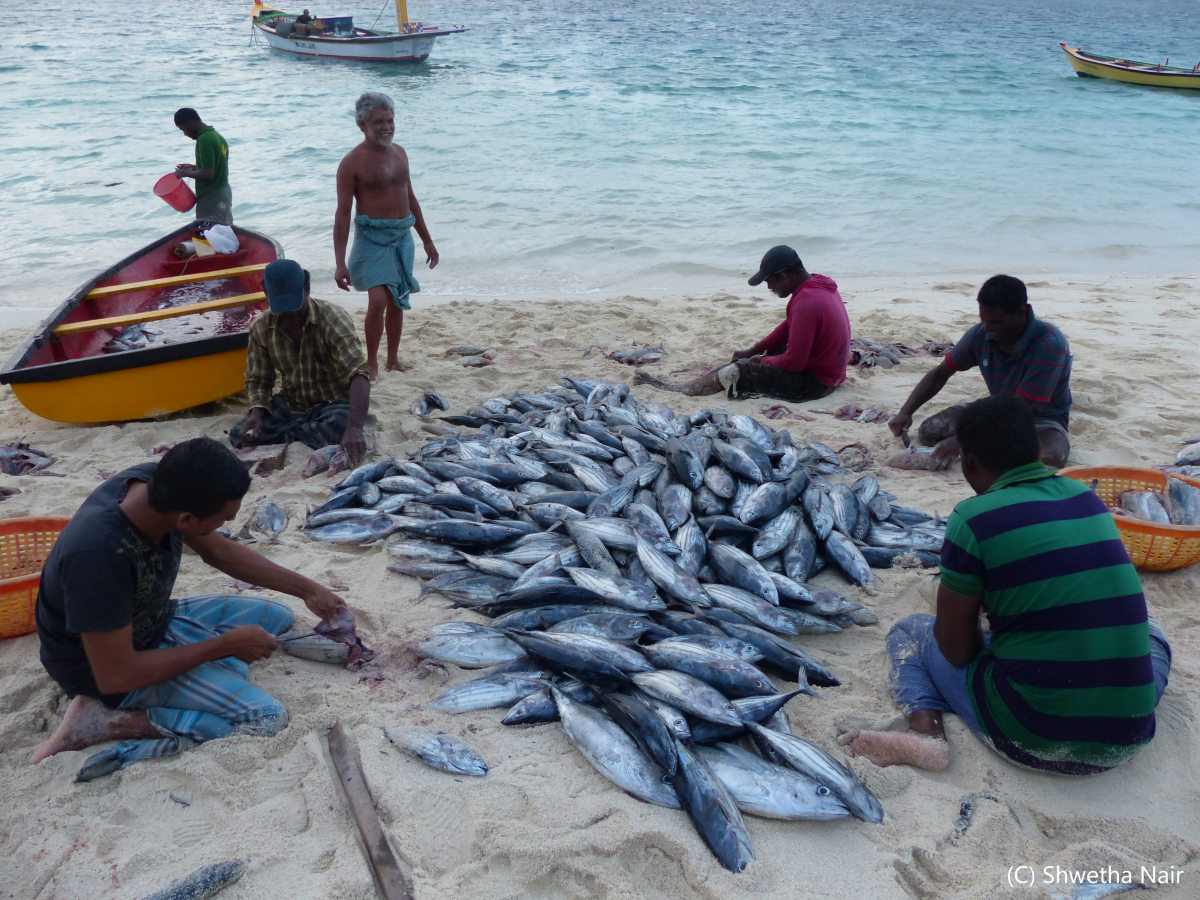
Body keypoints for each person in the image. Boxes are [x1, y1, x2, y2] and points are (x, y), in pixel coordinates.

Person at [840, 396, 1170, 775]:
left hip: (1031, 734)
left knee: (911, 631)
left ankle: (925, 732)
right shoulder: (1086, 498)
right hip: (1126, 737)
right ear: (1035, 451)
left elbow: (956, 651)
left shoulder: (972, 517)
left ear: (968, 461)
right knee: (1153, 635)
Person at [30, 438, 346, 779]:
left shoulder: (158, 483)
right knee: (266, 719)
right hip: (101, 668)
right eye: (224, 517)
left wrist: (308, 590)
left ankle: (196, 663)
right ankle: (106, 720)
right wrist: (224, 646)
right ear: (186, 520)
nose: (229, 522)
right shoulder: (97, 556)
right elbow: (115, 674)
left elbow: (220, 552)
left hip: (150, 619)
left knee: (278, 617)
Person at [888, 274, 1072, 468]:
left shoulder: (1050, 345)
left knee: (1047, 461)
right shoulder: (980, 334)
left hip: (1039, 418)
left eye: (997, 322)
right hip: (994, 409)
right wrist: (906, 411)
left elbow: (1019, 409)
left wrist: (963, 440)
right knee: (929, 431)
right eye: (983, 320)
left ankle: (984, 446)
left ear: (1022, 312)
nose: (988, 328)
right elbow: (941, 373)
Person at [633, 245, 850, 401]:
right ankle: (709, 378)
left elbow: (795, 364)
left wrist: (760, 360)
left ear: (784, 276)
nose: (769, 288)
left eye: (769, 282)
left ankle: (682, 390)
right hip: (832, 372)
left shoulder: (806, 303)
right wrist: (755, 349)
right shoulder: (818, 284)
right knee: (767, 353)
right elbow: (790, 326)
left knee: (738, 371)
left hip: (817, 383)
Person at [334, 91, 439, 379]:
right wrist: (339, 262)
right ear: (362, 125)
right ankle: (371, 362)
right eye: (379, 121)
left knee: (397, 301)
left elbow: (411, 198)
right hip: (371, 239)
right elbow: (343, 214)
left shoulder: (400, 153)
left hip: (401, 237)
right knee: (378, 300)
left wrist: (426, 239)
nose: (386, 127)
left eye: (390, 120)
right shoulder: (351, 163)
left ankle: (392, 359)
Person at [229, 259, 370, 465]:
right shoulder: (261, 327)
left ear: (307, 289)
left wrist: (355, 427)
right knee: (239, 435)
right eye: (281, 307)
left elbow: (358, 372)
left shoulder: (333, 318)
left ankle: (289, 435)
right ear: (266, 294)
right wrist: (257, 412)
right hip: (291, 402)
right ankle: (301, 433)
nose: (289, 314)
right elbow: (259, 380)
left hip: (332, 403)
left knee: (341, 423)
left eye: (294, 306)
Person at [173, 108, 232, 225]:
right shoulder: (217, 136)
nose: (184, 134)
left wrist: (182, 173)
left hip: (212, 196)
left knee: (209, 233)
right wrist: (194, 168)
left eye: (182, 129)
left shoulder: (204, 139)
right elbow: (217, 167)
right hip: (224, 192)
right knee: (225, 230)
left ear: (189, 123)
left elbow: (208, 174)